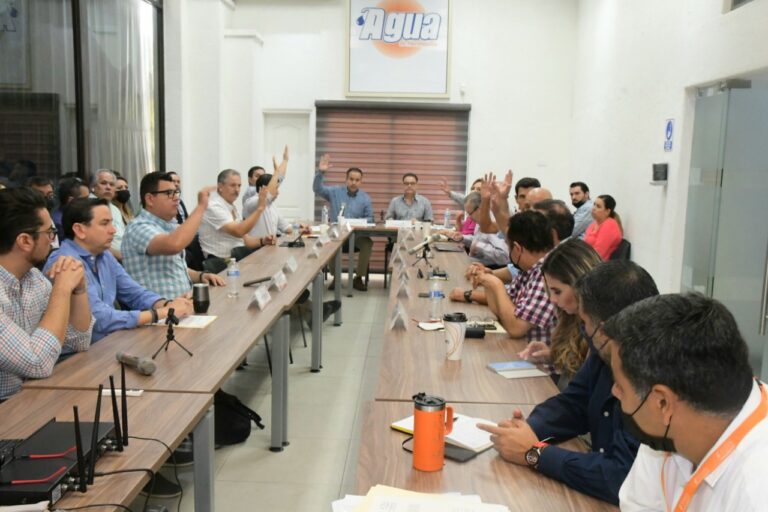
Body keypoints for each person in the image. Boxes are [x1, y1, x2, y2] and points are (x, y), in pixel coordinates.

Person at [478, 259, 659, 504]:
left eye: (584, 324)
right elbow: (574, 403)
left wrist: (534, 453)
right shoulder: (607, 349)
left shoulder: (657, 379)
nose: (583, 332)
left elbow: (622, 477)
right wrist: (530, 429)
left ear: (605, 331)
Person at [605, 293, 767, 511]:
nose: (614, 391)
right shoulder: (668, 429)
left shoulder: (755, 494)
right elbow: (638, 505)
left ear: (662, 403)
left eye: (620, 385)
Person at [45, 198, 193, 343]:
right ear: (80, 230)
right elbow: (99, 320)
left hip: (107, 343)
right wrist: (161, 313)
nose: (113, 230)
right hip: (75, 358)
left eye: (112, 223)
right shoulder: (65, 262)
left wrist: (168, 305)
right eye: (105, 224)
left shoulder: (104, 256)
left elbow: (134, 292)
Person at [0, 188, 93, 400]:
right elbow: (37, 362)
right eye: (50, 233)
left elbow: (77, 342)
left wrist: (78, 290)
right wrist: (61, 289)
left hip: (29, 399)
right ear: (25, 241)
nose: (53, 241)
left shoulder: (34, 278)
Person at [454, 210, 556, 342]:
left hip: (536, 358)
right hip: (521, 349)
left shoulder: (547, 274)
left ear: (517, 248)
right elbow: (502, 310)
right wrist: (486, 280)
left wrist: (496, 284)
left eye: (508, 246)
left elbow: (516, 329)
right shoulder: (528, 269)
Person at [122, 172, 225, 298]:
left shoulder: (168, 226)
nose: (176, 198)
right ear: (149, 199)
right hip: (158, 313)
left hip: (182, 306)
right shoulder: (138, 227)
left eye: (176, 192)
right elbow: (173, 245)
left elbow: (174, 267)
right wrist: (201, 206)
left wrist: (200, 276)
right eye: (169, 193)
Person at [518, 239, 602, 387]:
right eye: (550, 291)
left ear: (581, 285)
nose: (552, 299)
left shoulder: (600, 333)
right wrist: (554, 356)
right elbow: (578, 363)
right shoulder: (571, 317)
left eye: (558, 291)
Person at [313, 154, 373, 291]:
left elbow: (370, 219)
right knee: (328, 242)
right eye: (351, 179)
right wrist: (321, 172)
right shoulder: (334, 192)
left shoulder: (365, 198)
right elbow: (317, 189)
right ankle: (336, 278)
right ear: (346, 179)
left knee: (368, 243)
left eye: (357, 180)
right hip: (337, 234)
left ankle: (358, 278)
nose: (354, 182)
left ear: (361, 182)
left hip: (356, 236)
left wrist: (355, 223)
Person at [198, 169, 273, 260]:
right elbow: (238, 231)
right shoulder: (213, 206)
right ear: (220, 186)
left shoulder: (231, 206)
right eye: (233, 185)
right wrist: (260, 208)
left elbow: (245, 239)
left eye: (239, 185)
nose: (237, 190)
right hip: (220, 262)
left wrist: (263, 241)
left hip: (236, 257)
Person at [439, 192, 509, 268]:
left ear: (479, 209)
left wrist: (479, 246)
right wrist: (463, 238)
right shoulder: (479, 222)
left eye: (470, 213)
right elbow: (479, 240)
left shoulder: (493, 224)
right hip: (477, 262)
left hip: (491, 268)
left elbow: (504, 257)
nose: (469, 217)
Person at [243, 173, 295, 238]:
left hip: (270, 246)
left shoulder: (272, 205)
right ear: (264, 188)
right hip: (256, 247)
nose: (278, 192)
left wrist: (301, 231)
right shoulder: (251, 202)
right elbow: (263, 199)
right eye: (275, 188)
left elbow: (286, 227)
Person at [90, 169, 126, 261]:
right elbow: (92, 242)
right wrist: (123, 257)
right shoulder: (88, 207)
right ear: (93, 187)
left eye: (112, 184)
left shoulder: (115, 209)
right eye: (103, 183)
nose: (108, 187)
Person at [584, 194, 622, 260]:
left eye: (598, 206)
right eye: (594, 204)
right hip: (587, 260)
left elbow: (598, 253)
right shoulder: (593, 225)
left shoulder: (610, 225)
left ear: (607, 211)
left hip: (598, 265)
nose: (593, 208)